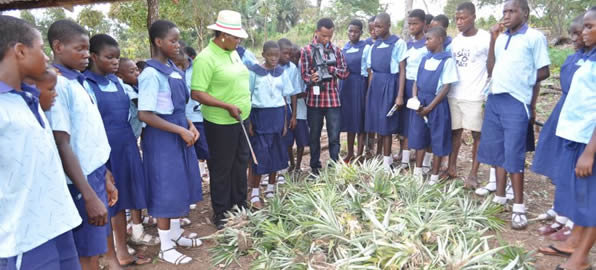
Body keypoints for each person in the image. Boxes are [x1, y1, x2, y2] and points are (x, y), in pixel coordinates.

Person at [0, 15, 83, 270]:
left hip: (56, 225)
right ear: (21, 51)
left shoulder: (27, 99)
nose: (46, 57)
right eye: (40, 49)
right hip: (23, 240)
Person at [45, 20, 116, 270]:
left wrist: (104, 176)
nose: (86, 54)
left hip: (93, 174)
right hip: (79, 181)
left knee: (93, 248)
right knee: (85, 253)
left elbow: (86, 137)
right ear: (58, 46)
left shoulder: (78, 81)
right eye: (80, 48)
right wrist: (88, 195)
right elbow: (62, 143)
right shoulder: (57, 85)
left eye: (88, 49)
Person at [478, 0, 550, 230]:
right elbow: (492, 69)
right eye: (504, 11)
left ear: (525, 14)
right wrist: (492, 39)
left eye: (512, 11)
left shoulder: (534, 38)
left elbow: (544, 70)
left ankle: (519, 207)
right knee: (497, 152)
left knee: (514, 154)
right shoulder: (501, 38)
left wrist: (523, 82)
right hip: (495, 98)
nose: (506, 15)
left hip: (516, 100)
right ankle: (499, 198)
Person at [83, 34, 153, 267]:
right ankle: (109, 255)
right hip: (104, 150)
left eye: (117, 57)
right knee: (109, 205)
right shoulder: (86, 84)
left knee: (124, 200)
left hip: (126, 146)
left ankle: (122, 250)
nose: (115, 62)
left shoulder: (116, 82)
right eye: (109, 57)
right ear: (94, 57)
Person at [138, 20, 203, 265]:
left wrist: (189, 124)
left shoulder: (173, 70)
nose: (177, 45)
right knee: (165, 187)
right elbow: (145, 114)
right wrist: (179, 130)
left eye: (178, 40)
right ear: (158, 42)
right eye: (173, 41)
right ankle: (165, 247)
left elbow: (177, 108)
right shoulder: (150, 74)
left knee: (178, 184)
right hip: (162, 139)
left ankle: (175, 234)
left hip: (179, 133)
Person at [537, 10, 595, 259]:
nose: (583, 32)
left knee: (591, 201)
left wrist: (590, 152)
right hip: (577, 135)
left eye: (589, 27)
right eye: (584, 27)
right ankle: (573, 242)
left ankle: (581, 257)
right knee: (580, 195)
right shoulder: (588, 58)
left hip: (589, 141)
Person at [191, 10, 251, 230]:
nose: (239, 40)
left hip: (241, 120)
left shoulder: (233, 52)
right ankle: (222, 212)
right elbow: (197, 93)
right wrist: (226, 106)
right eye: (236, 37)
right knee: (221, 167)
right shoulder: (206, 58)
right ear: (223, 35)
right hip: (220, 123)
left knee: (240, 163)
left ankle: (240, 205)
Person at [445, 2, 491, 188]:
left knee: (476, 135)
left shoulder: (486, 38)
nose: (459, 22)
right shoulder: (456, 41)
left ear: (473, 17)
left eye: (463, 18)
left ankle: (473, 173)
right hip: (454, 93)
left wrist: (487, 91)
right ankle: (451, 168)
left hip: (475, 94)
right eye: (457, 18)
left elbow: (492, 66)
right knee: (454, 132)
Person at [247, 41, 297, 208]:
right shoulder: (254, 72)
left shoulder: (282, 72)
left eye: (277, 55)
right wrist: (250, 123)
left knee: (276, 153)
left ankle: (270, 187)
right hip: (259, 116)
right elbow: (248, 96)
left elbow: (285, 98)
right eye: (270, 55)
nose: (274, 58)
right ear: (263, 54)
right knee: (259, 156)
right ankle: (254, 192)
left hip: (277, 115)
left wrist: (284, 123)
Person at [409, 27, 459, 185]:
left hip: (436, 104)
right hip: (420, 103)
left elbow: (446, 87)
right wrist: (415, 98)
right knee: (419, 137)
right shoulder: (425, 58)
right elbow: (417, 81)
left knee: (438, 139)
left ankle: (434, 176)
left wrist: (429, 108)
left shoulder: (447, 61)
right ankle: (417, 172)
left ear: (440, 40)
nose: (426, 42)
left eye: (429, 39)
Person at [299, 18, 349, 175]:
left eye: (330, 36)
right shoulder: (307, 50)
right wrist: (311, 78)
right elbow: (304, 74)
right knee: (314, 135)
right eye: (324, 36)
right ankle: (315, 167)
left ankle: (334, 166)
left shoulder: (336, 51)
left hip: (333, 99)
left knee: (334, 136)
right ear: (316, 32)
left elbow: (345, 72)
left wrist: (332, 70)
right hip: (314, 100)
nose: (327, 39)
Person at [364, 13, 407, 171]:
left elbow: (402, 70)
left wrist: (400, 95)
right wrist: (370, 92)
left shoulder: (398, 43)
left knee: (386, 125)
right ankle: (380, 158)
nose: (376, 29)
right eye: (375, 26)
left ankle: (387, 162)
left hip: (390, 84)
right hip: (376, 85)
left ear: (388, 25)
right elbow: (371, 72)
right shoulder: (373, 45)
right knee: (376, 123)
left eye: (380, 26)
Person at [175, 43, 210, 196]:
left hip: (199, 117)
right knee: (187, 155)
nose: (179, 69)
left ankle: (209, 184)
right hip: (181, 120)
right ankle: (190, 189)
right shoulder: (171, 73)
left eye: (181, 65)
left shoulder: (198, 69)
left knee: (206, 152)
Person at [397, 9, 427, 170]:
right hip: (407, 85)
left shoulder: (428, 44)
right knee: (406, 125)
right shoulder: (407, 44)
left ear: (423, 24)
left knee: (419, 124)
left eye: (415, 23)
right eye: (409, 24)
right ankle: (405, 159)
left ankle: (424, 163)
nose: (412, 27)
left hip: (421, 87)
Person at [340, 19, 368, 163]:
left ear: (361, 33)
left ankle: (360, 154)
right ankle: (350, 152)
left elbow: (368, 69)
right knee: (350, 120)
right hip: (345, 86)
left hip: (359, 84)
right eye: (350, 31)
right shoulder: (344, 47)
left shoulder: (366, 47)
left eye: (356, 31)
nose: (353, 34)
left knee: (360, 119)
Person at [278, 38, 308, 173]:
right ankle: (285, 165)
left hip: (294, 108)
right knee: (283, 140)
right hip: (278, 109)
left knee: (297, 138)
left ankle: (296, 166)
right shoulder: (272, 67)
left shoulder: (295, 68)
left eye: (295, 55)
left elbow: (295, 93)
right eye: (288, 54)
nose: (291, 58)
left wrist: (294, 115)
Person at [116, 58, 144, 139]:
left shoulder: (134, 87)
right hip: (129, 135)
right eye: (132, 72)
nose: (137, 73)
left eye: (137, 70)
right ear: (120, 77)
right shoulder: (126, 89)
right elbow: (142, 105)